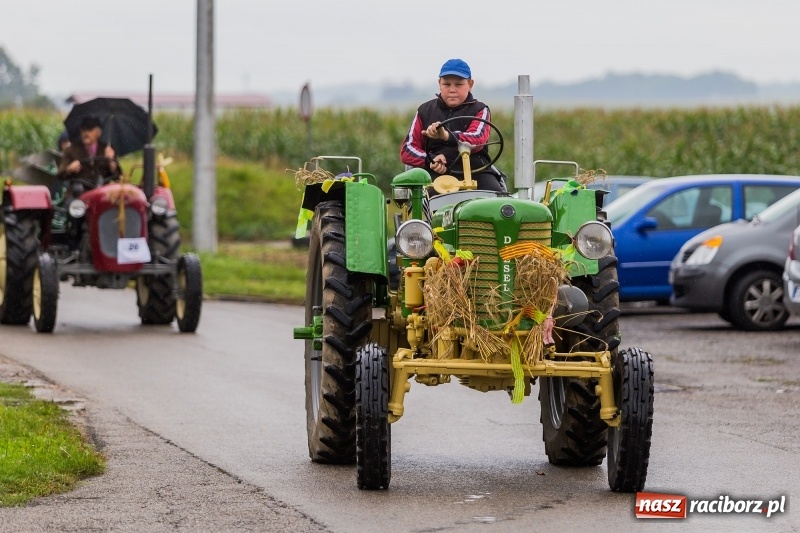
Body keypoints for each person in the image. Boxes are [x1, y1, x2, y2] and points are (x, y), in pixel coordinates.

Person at [400, 58, 505, 192]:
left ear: (470, 84)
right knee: (428, 197)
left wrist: (445, 136)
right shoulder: (424, 110)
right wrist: (431, 160)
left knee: (496, 196)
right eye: (447, 84)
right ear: (439, 83)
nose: (452, 90)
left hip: (476, 170)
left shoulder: (480, 109)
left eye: (459, 84)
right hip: (437, 172)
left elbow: (477, 138)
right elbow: (407, 149)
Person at [58, 115, 120, 185]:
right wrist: (70, 169)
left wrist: (112, 162)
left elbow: (118, 178)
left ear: (99, 133)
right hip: (79, 189)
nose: (86, 133)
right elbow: (60, 175)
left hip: (102, 189)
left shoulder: (107, 149)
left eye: (90, 129)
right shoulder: (71, 150)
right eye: (83, 129)